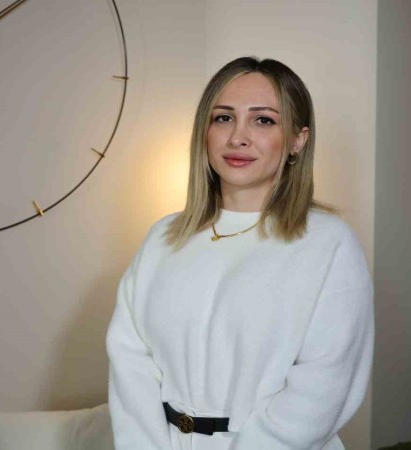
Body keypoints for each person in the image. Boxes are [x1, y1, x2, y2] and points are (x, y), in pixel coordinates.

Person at [106, 56, 374, 450]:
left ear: (298, 140)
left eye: (263, 120)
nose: (238, 137)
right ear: (205, 131)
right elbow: (130, 363)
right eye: (223, 118)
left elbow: (322, 387)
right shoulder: (163, 237)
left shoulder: (328, 243)